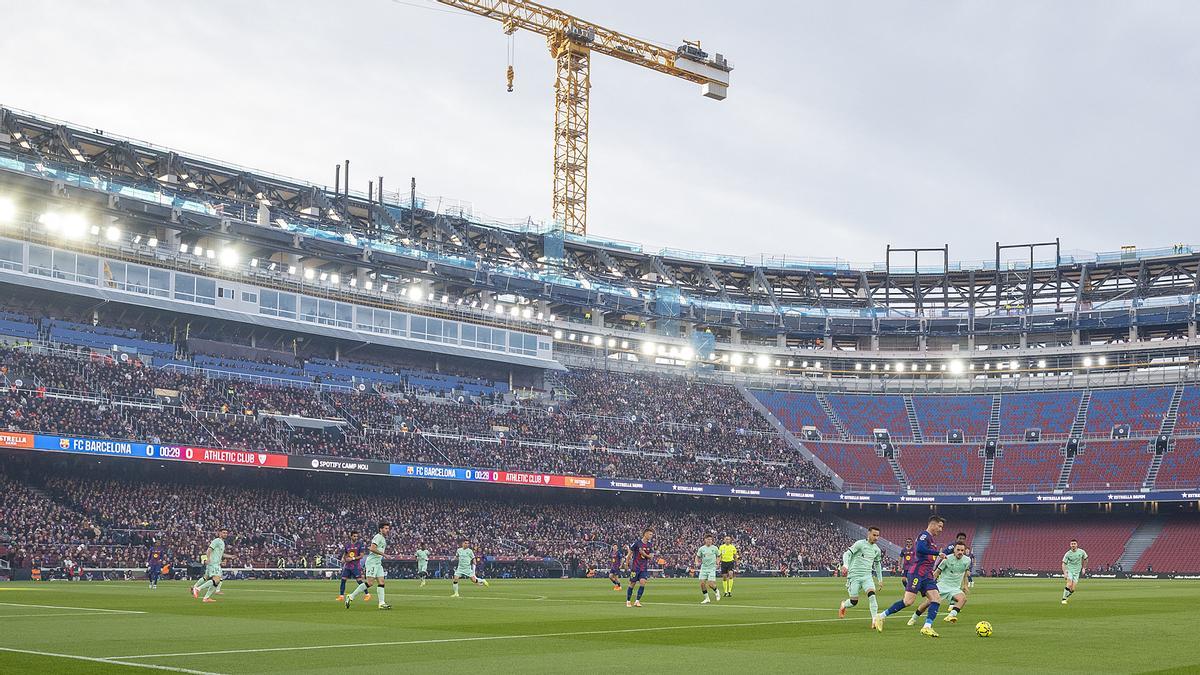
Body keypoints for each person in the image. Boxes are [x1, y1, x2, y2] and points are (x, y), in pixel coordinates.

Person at [877, 515, 946, 637]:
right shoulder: (924, 535)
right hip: (917, 573)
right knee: (908, 601)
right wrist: (937, 553)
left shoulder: (932, 540)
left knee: (936, 599)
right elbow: (920, 549)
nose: (941, 529)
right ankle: (881, 616)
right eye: (939, 526)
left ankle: (927, 627)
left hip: (927, 575)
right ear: (932, 524)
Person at [909, 541, 971, 625]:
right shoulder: (947, 559)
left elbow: (965, 573)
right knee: (927, 603)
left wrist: (965, 585)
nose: (960, 552)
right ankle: (914, 618)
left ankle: (951, 616)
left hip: (954, 588)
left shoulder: (967, 560)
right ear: (954, 550)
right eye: (958, 550)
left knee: (963, 599)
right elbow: (937, 572)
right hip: (942, 586)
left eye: (962, 550)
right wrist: (928, 585)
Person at [838, 526, 883, 625]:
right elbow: (846, 554)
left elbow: (877, 564)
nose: (876, 538)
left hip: (867, 576)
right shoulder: (860, 544)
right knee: (854, 601)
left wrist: (880, 579)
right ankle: (844, 604)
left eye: (878, 536)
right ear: (868, 534)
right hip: (854, 576)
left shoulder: (877, 550)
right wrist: (845, 565)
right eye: (874, 535)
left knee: (872, 595)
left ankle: (874, 621)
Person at [345, 522, 391, 610]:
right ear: (381, 529)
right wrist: (384, 555)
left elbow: (372, 548)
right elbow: (373, 548)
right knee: (370, 583)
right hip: (372, 563)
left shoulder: (383, 538)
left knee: (381, 582)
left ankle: (381, 603)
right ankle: (351, 596)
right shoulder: (378, 537)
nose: (387, 530)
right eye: (385, 528)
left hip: (378, 563)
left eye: (388, 529)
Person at [191, 527, 228, 603]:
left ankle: (205, 598)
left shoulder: (222, 542)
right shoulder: (217, 541)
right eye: (223, 532)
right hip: (213, 564)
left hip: (215, 563)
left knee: (208, 578)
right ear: (219, 533)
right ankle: (197, 589)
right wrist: (208, 558)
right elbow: (209, 549)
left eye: (226, 533)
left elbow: (219, 554)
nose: (225, 534)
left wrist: (230, 556)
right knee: (217, 580)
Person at [625, 527, 655, 608]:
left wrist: (644, 554)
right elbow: (629, 554)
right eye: (650, 534)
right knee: (632, 584)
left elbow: (651, 557)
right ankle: (628, 601)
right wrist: (626, 563)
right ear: (645, 534)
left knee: (643, 583)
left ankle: (637, 601)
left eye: (652, 534)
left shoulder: (650, 545)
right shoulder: (637, 543)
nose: (651, 536)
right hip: (635, 567)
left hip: (643, 568)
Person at [337, 531, 367, 601]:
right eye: (354, 536)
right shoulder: (347, 545)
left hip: (355, 566)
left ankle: (367, 594)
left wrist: (352, 558)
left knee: (359, 581)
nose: (356, 537)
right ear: (351, 536)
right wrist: (343, 558)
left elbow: (361, 556)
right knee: (343, 580)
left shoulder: (360, 544)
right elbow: (345, 553)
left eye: (356, 536)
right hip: (347, 566)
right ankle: (341, 596)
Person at [695, 534, 721, 604]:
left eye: (711, 539)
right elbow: (697, 556)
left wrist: (718, 562)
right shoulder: (701, 549)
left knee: (710, 584)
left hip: (712, 568)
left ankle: (716, 591)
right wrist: (697, 562)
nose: (709, 541)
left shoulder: (715, 548)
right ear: (705, 540)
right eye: (708, 539)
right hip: (704, 568)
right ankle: (707, 598)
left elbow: (719, 556)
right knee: (702, 584)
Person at [1061, 539, 1088, 605]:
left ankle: (1066, 596)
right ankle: (1063, 599)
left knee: (1072, 589)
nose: (1073, 545)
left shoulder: (1081, 552)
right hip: (1069, 570)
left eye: (1074, 544)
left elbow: (1086, 559)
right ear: (1070, 545)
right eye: (1072, 544)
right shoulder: (1068, 554)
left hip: (1077, 571)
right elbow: (1063, 563)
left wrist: (1084, 568)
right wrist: (1065, 573)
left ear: (1077, 544)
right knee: (1069, 583)